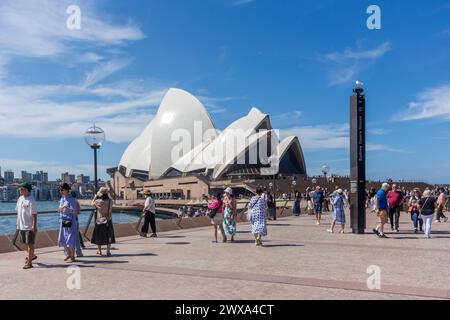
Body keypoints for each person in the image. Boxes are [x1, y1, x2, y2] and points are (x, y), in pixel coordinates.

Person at [16, 183, 38, 270]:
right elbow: (18, 211)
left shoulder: (31, 200)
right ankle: (32, 256)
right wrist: (17, 224)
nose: (20, 190)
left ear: (27, 190)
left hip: (29, 226)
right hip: (21, 225)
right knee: (24, 243)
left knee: (30, 244)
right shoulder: (20, 198)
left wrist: (34, 225)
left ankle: (29, 263)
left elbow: (34, 214)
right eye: (20, 189)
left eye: (22, 189)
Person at [57, 183, 78, 263]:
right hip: (63, 220)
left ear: (66, 190)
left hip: (71, 222)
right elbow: (59, 210)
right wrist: (62, 208)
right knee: (62, 239)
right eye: (60, 190)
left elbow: (74, 211)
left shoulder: (71, 199)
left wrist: (66, 208)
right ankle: (69, 253)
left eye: (62, 190)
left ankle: (72, 256)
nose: (61, 191)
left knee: (70, 239)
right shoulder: (62, 199)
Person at [91, 187, 115, 256]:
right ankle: (108, 251)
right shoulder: (110, 201)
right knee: (109, 235)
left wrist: (95, 197)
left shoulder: (98, 201)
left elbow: (92, 203)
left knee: (99, 236)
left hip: (100, 220)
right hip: (108, 220)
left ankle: (99, 251)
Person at [71, 191, 84, 257]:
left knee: (69, 237)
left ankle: (69, 253)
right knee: (76, 237)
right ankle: (78, 252)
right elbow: (79, 212)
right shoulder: (76, 201)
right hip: (75, 219)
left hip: (68, 221)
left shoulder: (67, 201)